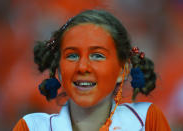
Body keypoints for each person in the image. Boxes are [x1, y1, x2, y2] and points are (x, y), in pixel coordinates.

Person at [13, 10, 171, 131]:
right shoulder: (31, 127)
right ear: (59, 70)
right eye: (72, 55)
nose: (82, 67)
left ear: (122, 70)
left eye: (97, 55)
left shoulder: (147, 120)